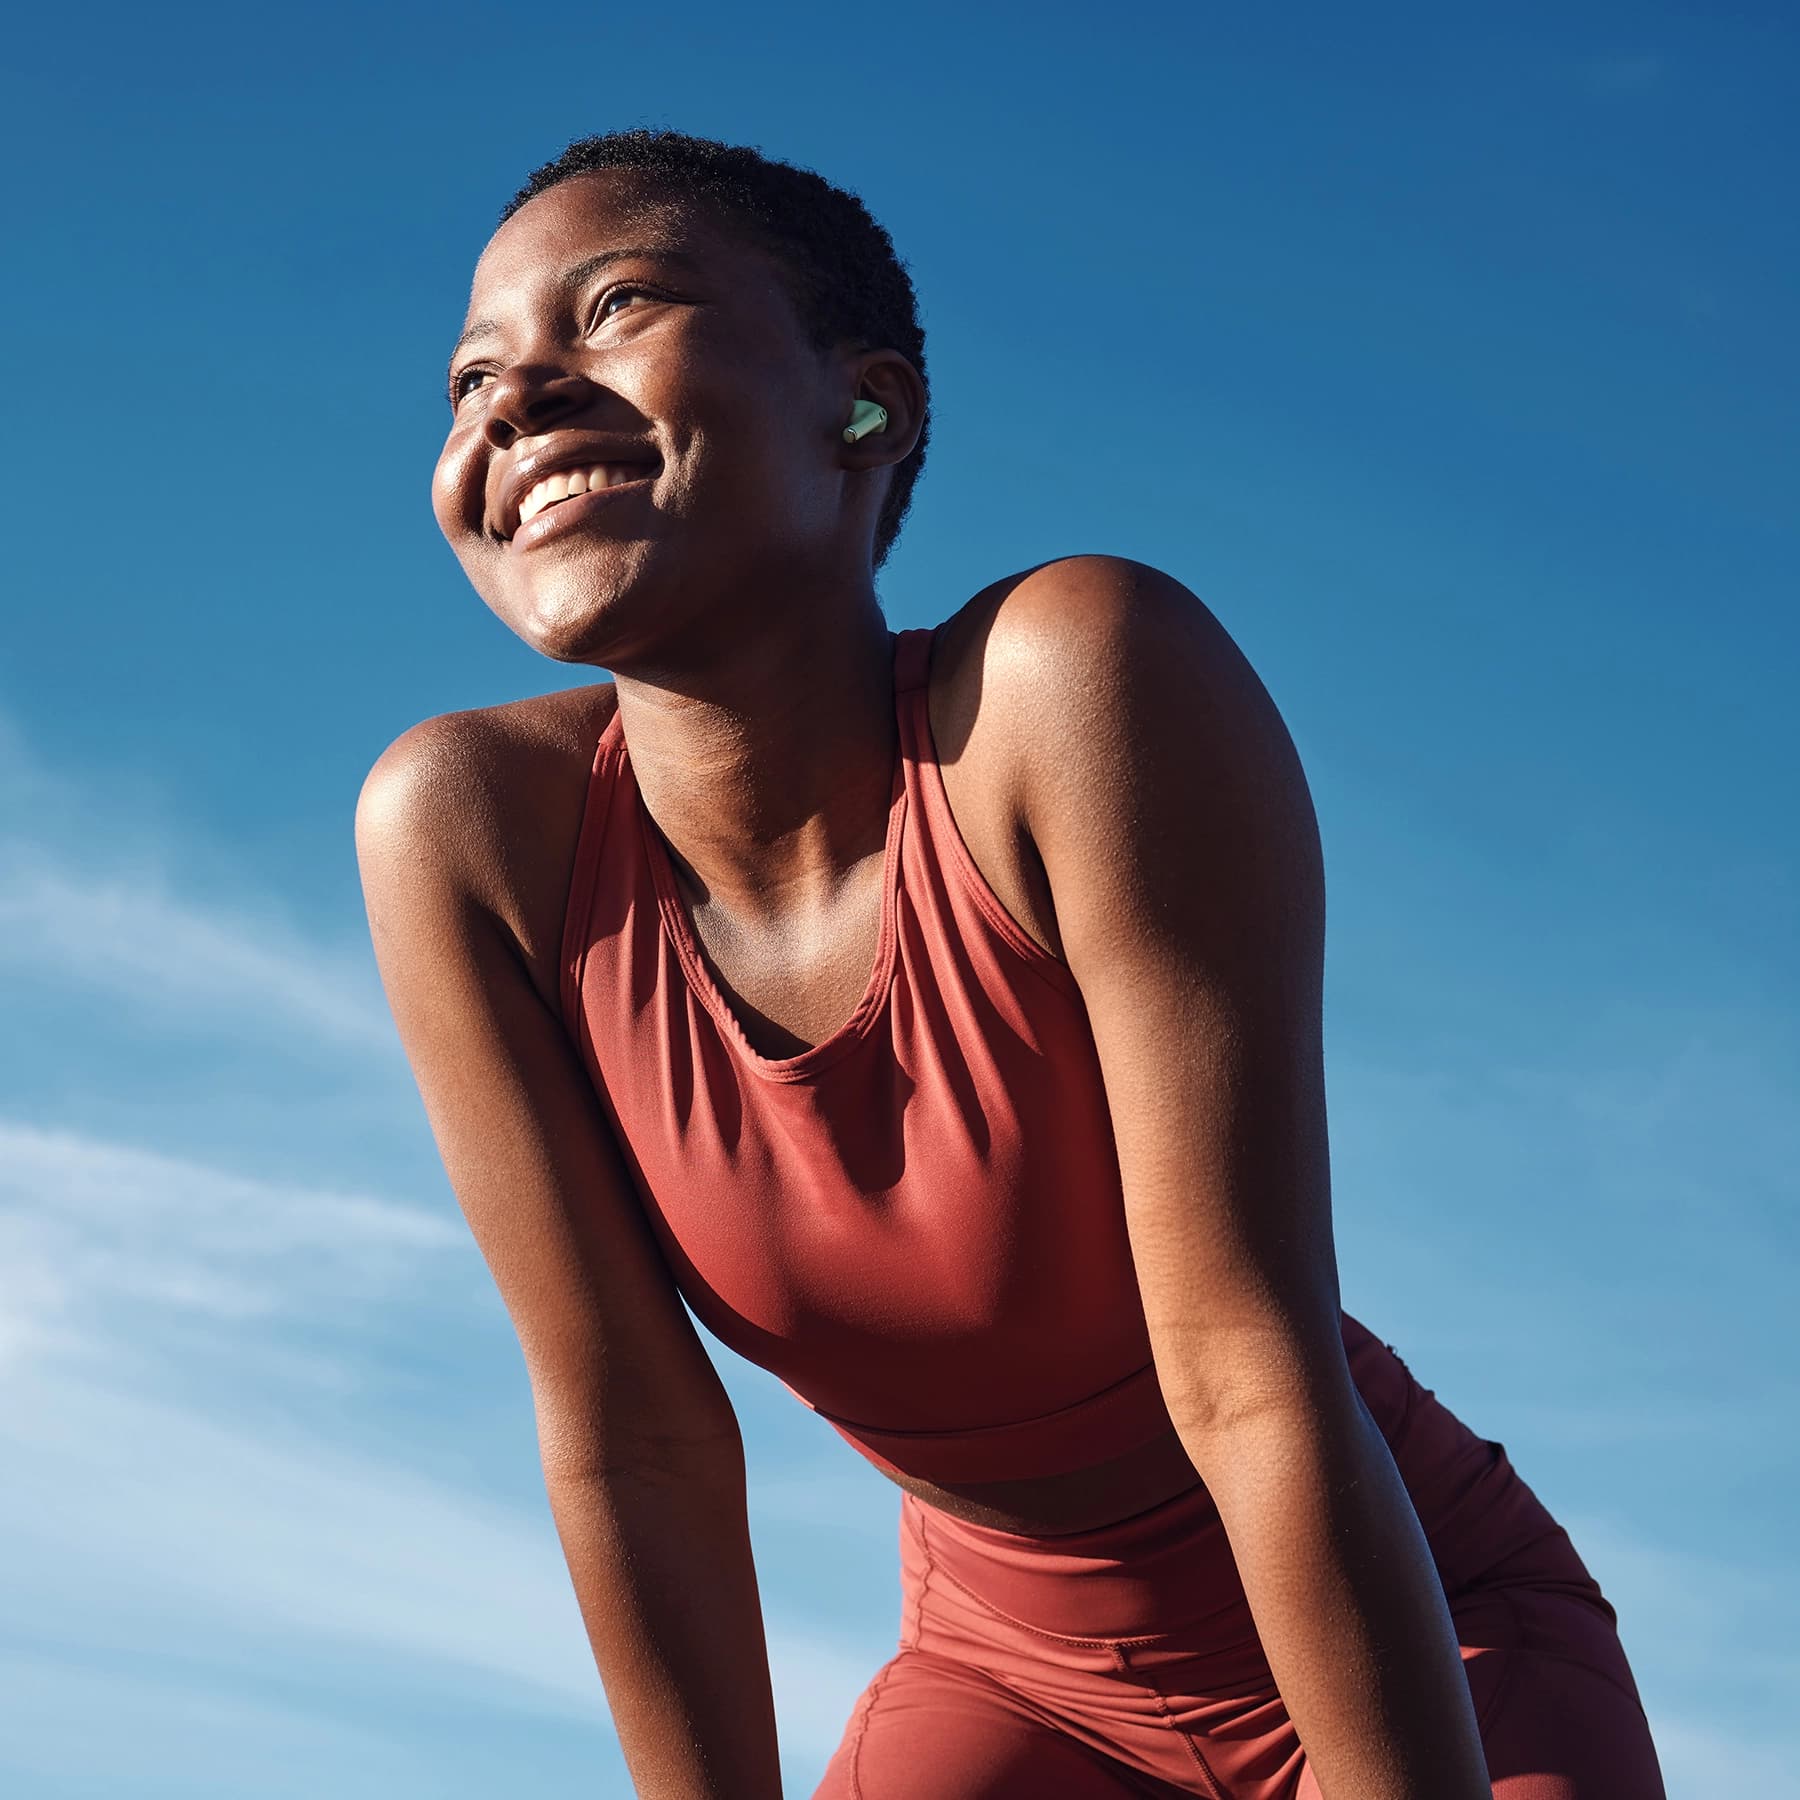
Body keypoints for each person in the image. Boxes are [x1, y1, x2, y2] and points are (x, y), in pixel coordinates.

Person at [354, 129, 1667, 1800]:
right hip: (1010, 1684)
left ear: (868, 410)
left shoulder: (1069, 687)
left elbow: (1244, 1370)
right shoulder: (466, 832)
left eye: (613, 308)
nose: (513, 399)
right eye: (471, 376)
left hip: (1418, 1642)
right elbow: (634, 1439)